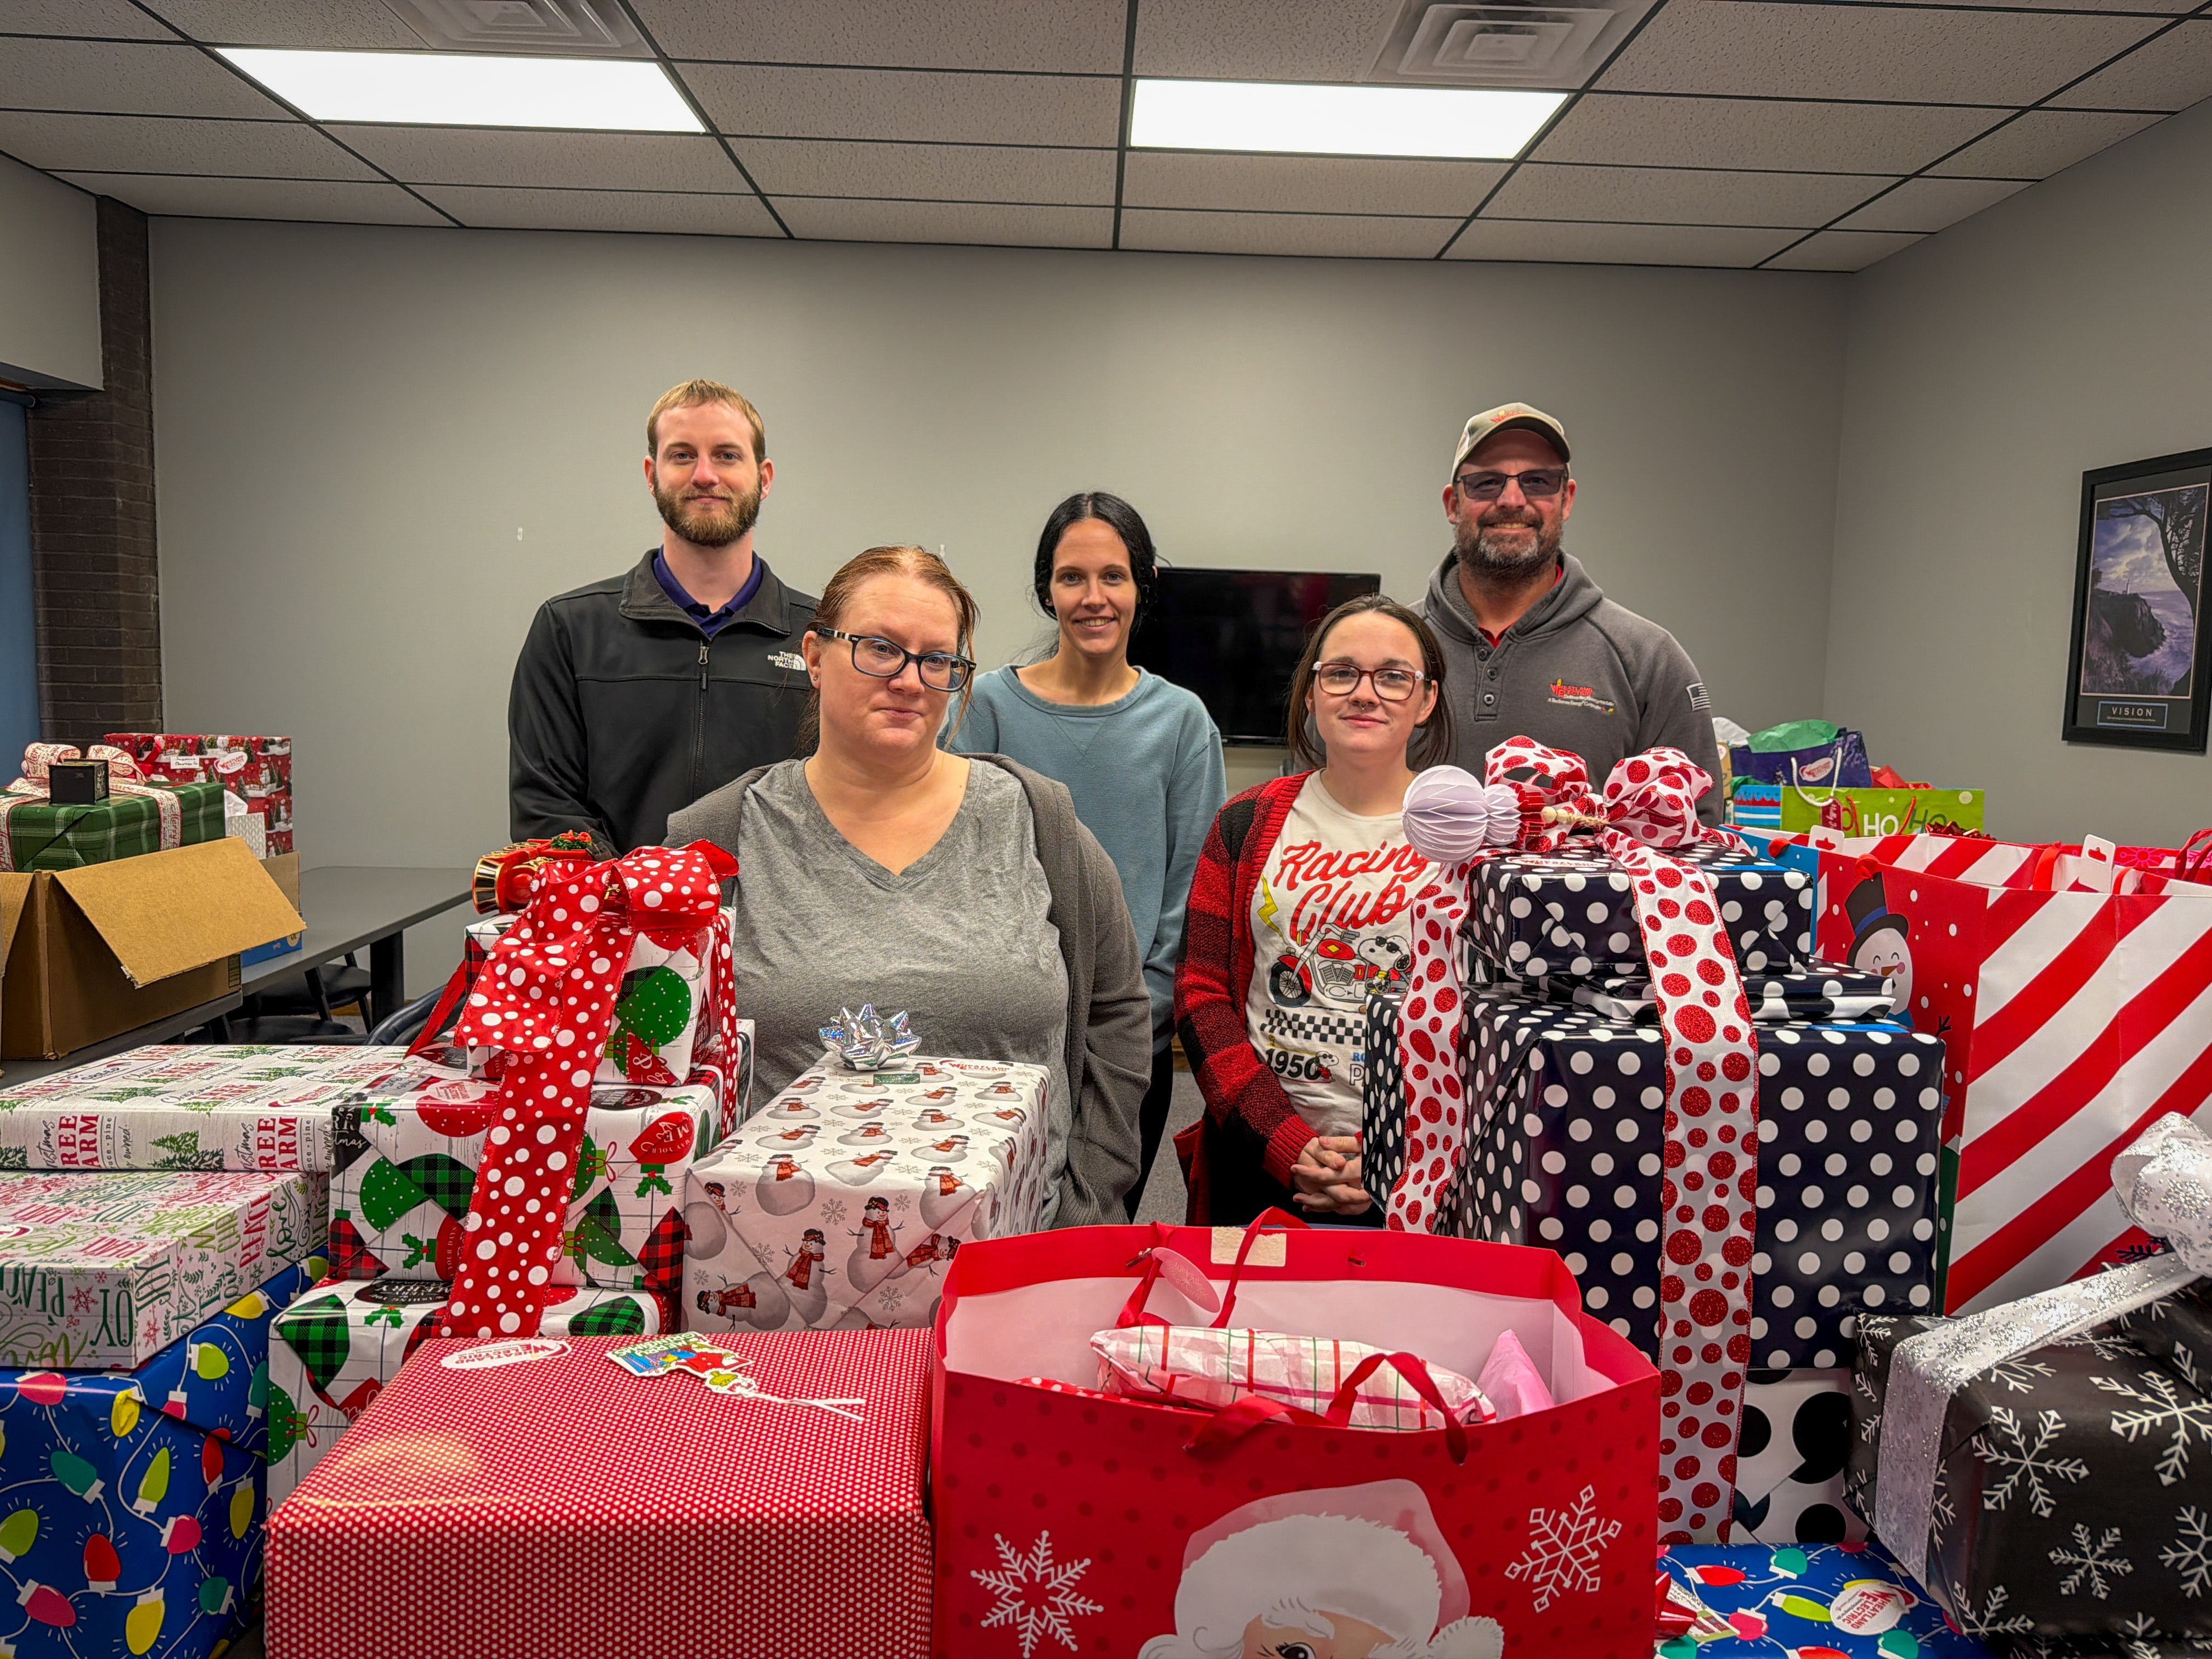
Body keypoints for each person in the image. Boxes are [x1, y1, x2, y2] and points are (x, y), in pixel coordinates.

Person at [668, 544, 1151, 1228]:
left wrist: (1087, 1204)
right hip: (773, 1267)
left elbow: (1117, 1014)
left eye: (937, 660)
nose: (910, 679)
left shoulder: (1040, 823)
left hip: (1014, 1258)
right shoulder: (715, 842)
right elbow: (655, 1066)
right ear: (813, 655)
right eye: (879, 648)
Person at [952, 493, 1226, 1218]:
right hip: (1001, 1030)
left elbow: (1190, 894)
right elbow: (960, 869)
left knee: (1095, 1236)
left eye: (1114, 576)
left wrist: (1136, 1030)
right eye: (1073, 577)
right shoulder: (989, 709)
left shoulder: (1182, 721)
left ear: (1144, 586)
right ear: (1047, 589)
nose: (1094, 597)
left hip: (1125, 1048)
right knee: (992, 1230)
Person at [1175, 594, 1450, 1227]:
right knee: (1249, 1324)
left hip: (1423, 1173)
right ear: (1311, 692)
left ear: (1426, 700)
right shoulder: (1245, 822)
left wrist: (1397, 1157)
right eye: (1341, 673)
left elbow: (1484, 1023)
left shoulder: (1466, 835)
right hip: (1263, 1159)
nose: (1365, 693)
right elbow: (1200, 994)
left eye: (1393, 677)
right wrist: (1289, 1143)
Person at [507, 377, 817, 853]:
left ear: (765, 477)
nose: (705, 475)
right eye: (682, 455)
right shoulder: (569, 630)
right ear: (652, 475)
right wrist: (638, 900)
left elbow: (848, 803)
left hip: (777, 924)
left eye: (727, 455)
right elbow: (547, 810)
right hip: (618, 920)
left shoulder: (822, 638)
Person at [1421, 401, 1724, 823]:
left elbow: (1694, 836)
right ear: (1453, 504)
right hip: (1394, 891)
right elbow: (1315, 806)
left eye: (1538, 481)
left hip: (1583, 892)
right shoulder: (1381, 652)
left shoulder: (1649, 659)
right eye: (1486, 483)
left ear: (1567, 499)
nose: (1512, 500)